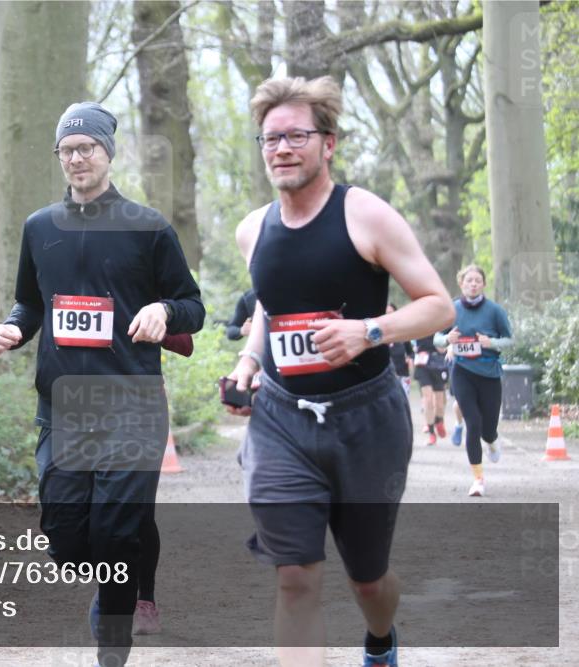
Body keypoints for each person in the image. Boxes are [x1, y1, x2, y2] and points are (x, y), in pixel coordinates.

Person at [223, 76, 454, 667]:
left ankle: (380, 638)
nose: (281, 148)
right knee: (295, 577)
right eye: (271, 138)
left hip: (366, 420)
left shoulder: (365, 215)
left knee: (369, 581)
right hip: (281, 421)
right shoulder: (253, 229)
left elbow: (439, 306)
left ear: (328, 144)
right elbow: (272, 307)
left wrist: (369, 331)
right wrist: (249, 360)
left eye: (296, 136)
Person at [0, 101, 204, 667]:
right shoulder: (40, 227)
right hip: (63, 408)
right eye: (67, 150)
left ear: (108, 152)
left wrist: (163, 310)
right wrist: (14, 328)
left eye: (87, 147)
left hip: (131, 406)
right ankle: (118, 574)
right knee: (65, 541)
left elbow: (192, 305)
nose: (77, 158)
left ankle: (112, 644)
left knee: (115, 538)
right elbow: (30, 302)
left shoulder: (149, 227)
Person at [434, 265, 512, 497]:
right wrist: (446, 339)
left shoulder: (494, 311)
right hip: (462, 372)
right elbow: (436, 338)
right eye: (469, 280)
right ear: (462, 283)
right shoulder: (452, 309)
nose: (473, 284)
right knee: (473, 423)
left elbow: (510, 340)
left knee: (487, 430)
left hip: (489, 374)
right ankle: (478, 479)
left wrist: (492, 343)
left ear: (484, 284)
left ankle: (492, 440)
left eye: (478, 280)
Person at [412, 330, 450, 446]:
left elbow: (447, 342)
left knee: (439, 403)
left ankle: (439, 420)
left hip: (438, 364)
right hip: (422, 365)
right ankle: (431, 433)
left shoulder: (441, 325)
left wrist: (443, 347)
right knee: (428, 400)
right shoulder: (418, 324)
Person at [385, 303, 414, 397]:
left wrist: (410, 358)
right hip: (387, 375)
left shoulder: (402, 331)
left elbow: (410, 352)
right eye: (386, 313)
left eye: (391, 312)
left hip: (403, 373)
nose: (388, 315)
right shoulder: (380, 332)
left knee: (404, 399)